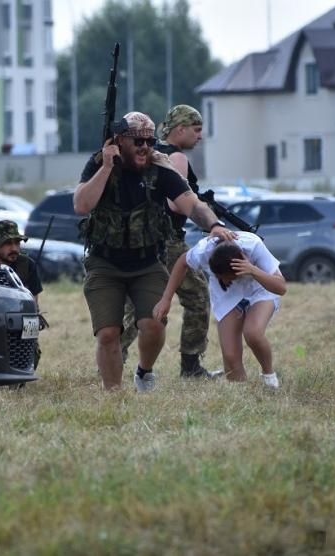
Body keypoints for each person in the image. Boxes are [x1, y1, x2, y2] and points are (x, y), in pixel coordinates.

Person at [74, 111, 236, 392]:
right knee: (109, 332)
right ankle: (113, 395)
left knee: (154, 324)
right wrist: (107, 167)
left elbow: (191, 204)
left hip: (147, 262)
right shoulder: (100, 162)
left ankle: (144, 371)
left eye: (150, 141)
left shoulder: (159, 167)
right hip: (104, 262)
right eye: (138, 142)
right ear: (120, 141)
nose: (145, 148)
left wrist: (214, 225)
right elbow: (81, 205)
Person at [119, 104, 219, 379]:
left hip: (142, 239)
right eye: (196, 130)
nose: (200, 136)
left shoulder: (149, 152)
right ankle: (191, 366)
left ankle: (112, 358)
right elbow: (176, 204)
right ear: (180, 129)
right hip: (168, 240)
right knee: (198, 296)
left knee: (135, 305)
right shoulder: (175, 157)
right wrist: (200, 205)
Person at [153, 234, 286, 388]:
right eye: (219, 277)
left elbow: (281, 288)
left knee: (253, 333)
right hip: (226, 295)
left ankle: (269, 376)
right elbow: (182, 262)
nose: (224, 280)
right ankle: (240, 392)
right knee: (230, 356)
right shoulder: (204, 250)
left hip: (260, 289)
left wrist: (253, 270)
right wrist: (166, 299)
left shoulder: (254, 245)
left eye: (228, 277)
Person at [0, 220, 43, 301]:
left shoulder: (27, 265)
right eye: (8, 243)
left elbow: (33, 303)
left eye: (17, 243)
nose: (14, 249)